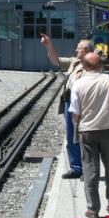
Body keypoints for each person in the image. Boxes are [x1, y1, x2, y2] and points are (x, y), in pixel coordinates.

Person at [69, 52, 109, 218]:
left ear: (85, 66)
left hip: (88, 132)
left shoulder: (78, 85)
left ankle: (93, 209)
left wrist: (77, 127)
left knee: (90, 171)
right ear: (101, 65)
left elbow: (76, 113)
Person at [40, 34, 94, 179]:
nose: (77, 50)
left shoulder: (92, 65)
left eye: (80, 49)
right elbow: (56, 60)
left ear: (88, 51)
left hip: (83, 104)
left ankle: (87, 170)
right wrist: (48, 45)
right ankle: (76, 167)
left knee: (84, 137)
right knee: (71, 137)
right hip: (69, 102)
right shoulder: (75, 62)